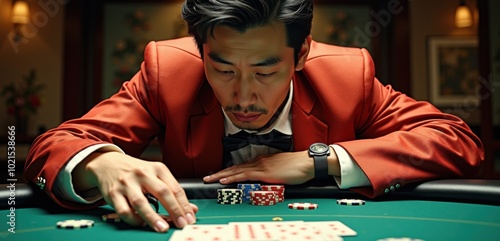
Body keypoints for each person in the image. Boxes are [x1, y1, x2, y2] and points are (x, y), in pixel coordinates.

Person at [24, 0, 484, 234]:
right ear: (200, 52)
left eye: (266, 70)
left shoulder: (347, 76)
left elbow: (457, 140)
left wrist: (319, 160)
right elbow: (54, 145)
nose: (243, 94)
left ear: (301, 53)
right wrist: (98, 161)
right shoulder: (169, 71)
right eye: (222, 68)